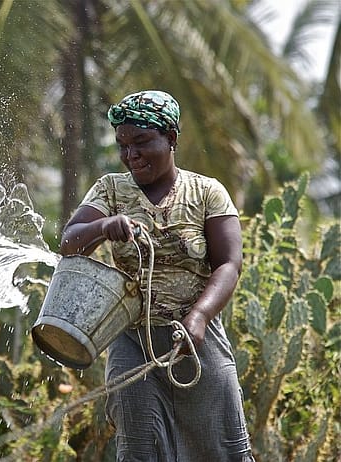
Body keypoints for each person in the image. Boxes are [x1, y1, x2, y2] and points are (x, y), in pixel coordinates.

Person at [59, 90, 255, 461]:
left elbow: (229, 264)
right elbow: (69, 243)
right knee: (139, 448)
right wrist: (103, 225)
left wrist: (198, 317)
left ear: (171, 138)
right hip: (133, 339)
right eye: (123, 145)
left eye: (142, 142)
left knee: (223, 446)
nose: (131, 155)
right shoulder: (110, 190)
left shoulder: (206, 192)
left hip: (196, 336)